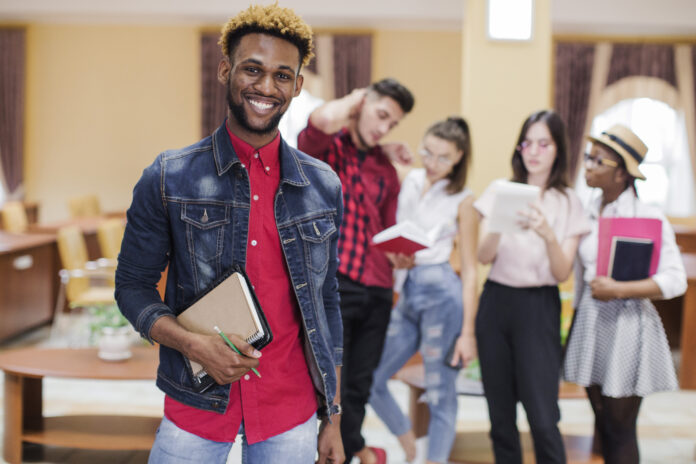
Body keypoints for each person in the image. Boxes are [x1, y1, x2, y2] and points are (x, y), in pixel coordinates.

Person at [115, 4, 345, 463]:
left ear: (297, 86)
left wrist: (333, 416)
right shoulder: (167, 178)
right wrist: (192, 343)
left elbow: (327, 303)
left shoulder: (323, 186)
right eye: (252, 70)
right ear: (225, 70)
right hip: (196, 407)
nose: (266, 87)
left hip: (290, 411)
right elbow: (132, 288)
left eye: (282, 75)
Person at [298, 79, 415, 464]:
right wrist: (353, 101)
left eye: (392, 124)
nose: (384, 128)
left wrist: (400, 254)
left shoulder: (386, 167)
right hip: (337, 283)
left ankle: (346, 454)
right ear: (362, 104)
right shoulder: (327, 149)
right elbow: (315, 125)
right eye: (381, 115)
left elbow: (386, 226)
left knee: (360, 386)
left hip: (379, 288)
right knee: (333, 385)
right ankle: (340, 453)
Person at [563, 125, 686, 464]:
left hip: (628, 326)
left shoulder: (648, 217)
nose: (588, 165)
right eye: (588, 158)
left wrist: (619, 289)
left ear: (621, 174)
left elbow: (676, 281)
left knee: (620, 427)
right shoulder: (585, 213)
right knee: (602, 420)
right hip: (590, 322)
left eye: (597, 161)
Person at [474, 110, 590, 464]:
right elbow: (482, 256)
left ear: (558, 150)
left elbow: (561, 272)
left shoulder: (568, 200)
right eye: (528, 143)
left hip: (539, 306)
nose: (534, 151)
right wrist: (499, 221)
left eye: (544, 143)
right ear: (519, 148)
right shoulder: (499, 189)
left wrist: (547, 234)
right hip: (496, 303)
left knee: (542, 416)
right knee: (500, 417)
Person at [368, 117, 479, 464]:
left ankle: (435, 460)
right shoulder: (411, 179)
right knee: (372, 377)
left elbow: (472, 269)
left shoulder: (463, 198)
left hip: (442, 294)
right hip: (407, 291)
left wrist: (468, 333)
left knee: (440, 392)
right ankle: (410, 443)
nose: (431, 163)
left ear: (459, 157)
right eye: (426, 153)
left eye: (442, 157)